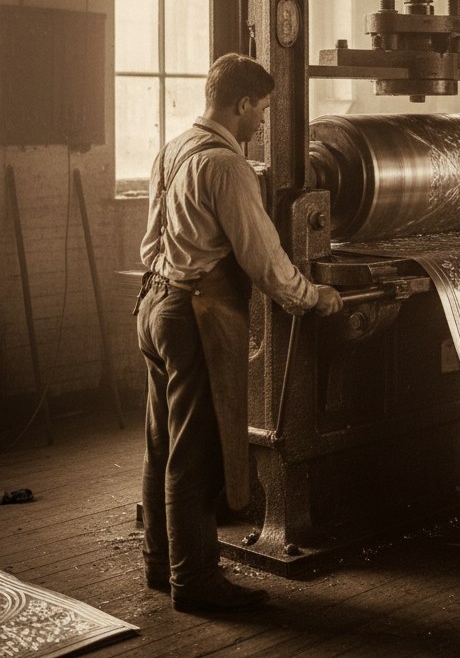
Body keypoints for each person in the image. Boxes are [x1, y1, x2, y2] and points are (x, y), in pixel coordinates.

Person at [136, 53, 344, 612]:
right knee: (195, 455)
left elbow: (150, 243)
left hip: (156, 305)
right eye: (261, 110)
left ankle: (162, 565)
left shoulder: (175, 148)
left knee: (162, 447)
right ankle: (196, 583)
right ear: (240, 104)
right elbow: (263, 260)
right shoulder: (227, 168)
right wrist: (313, 296)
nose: (261, 123)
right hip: (194, 318)